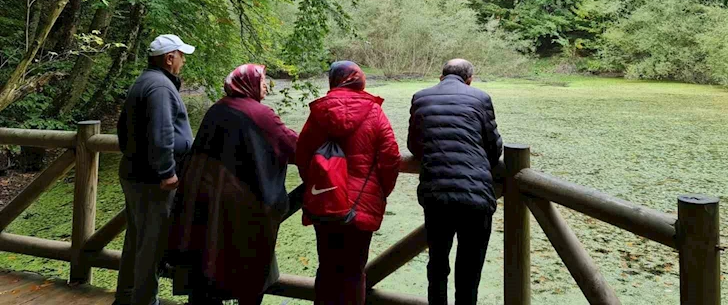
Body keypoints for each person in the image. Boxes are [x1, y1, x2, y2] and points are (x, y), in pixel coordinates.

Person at [168, 64, 298, 305]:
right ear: (249, 84)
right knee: (249, 266)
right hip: (241, 206)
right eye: (262, 81)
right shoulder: (261, 115)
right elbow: (295, 148)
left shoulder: (217, 108)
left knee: (207, 263)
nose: (266, 86)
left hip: (205, 202)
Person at [296, 61, 401, 305]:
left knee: (327, 267)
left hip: (324, 201)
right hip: (361, 205)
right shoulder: (374, 111)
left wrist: (317, 187)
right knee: (354, 272)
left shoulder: (319, 112)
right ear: (359, 80)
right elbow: (391, 157)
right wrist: (381, 191)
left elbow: (302, 155)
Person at [408, 58, 503, 305]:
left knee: (437, 264)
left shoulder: (420, 97)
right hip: (476, 195)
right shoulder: (480, 98)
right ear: (469, 80)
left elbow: (414, 145)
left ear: (441, 77)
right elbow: (493, 148)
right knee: (469, 270)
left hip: (436, 194)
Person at [115, 34, 196, 305]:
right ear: (168, 58)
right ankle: (144, 301)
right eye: (181, 55)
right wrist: (167, 172)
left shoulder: (145, 81)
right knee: (152, 244)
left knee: (136, 238)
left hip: (135, 173)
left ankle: (125, 297)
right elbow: (162, 134)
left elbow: (122, 130)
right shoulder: (160, 87)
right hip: (152, 180)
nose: (183, 60)